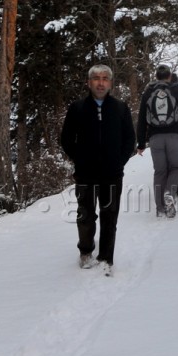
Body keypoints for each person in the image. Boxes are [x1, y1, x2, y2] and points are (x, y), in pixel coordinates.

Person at [60, 64, 135, 276]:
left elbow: (129, 139)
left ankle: (106, 258)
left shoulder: (120, 108)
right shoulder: (77, 108)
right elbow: (66, 139)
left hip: (112, 174)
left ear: (110, 83)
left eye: (105, 79)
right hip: (86, 173)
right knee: (85, 215)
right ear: (89, 82)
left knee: (109, 216)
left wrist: (119, 161)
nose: (100, 83)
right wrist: (80, 159)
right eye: (96, 78)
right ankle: (86, 251)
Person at [136, 64, 178, 218]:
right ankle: (169, 192)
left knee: (160, 171)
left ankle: (160, 209)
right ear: (170, 76)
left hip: (155, 138)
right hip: (175, 136)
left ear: (156, 76)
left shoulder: (148, 91)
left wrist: (141, 143)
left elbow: (141, 119)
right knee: (176, 168)